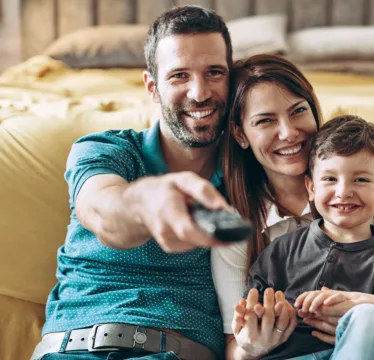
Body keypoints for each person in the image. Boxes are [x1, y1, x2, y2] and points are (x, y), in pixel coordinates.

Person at [213, 54, 374, 360]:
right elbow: (234, 342)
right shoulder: (236, 221)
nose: (288, 132)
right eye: (265, 120)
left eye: (298, 111)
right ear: (240, 133)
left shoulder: (371, 172)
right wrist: (252, 345)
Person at [31, 6, 234, 360]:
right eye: (179, 76)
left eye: (214, 72)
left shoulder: (248, 174)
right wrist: (147, 202)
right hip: (68, 350)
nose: (199, 92)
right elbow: (105, 209)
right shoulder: (105, 150)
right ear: (152, 87)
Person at [243, 115, 374, 359]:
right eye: (329, 179)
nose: (344, 192)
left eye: (361, 179)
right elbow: (251, 313)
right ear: (312, 188)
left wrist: (361, 317)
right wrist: (261, 318)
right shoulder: (281, 250)